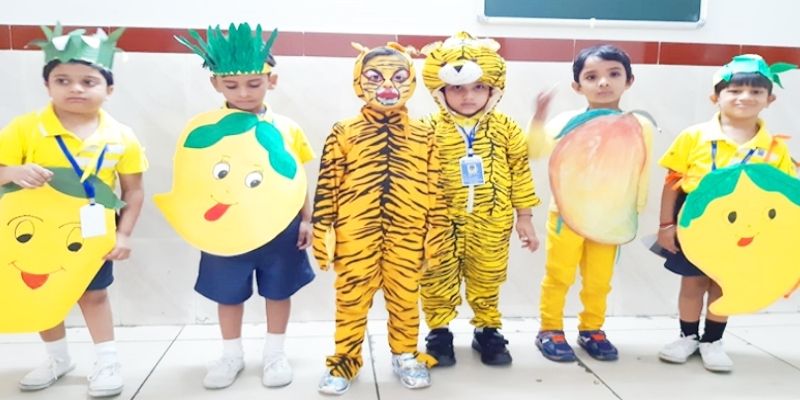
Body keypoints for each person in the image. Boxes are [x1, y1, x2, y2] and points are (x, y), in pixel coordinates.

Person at [0, 24, 147, 397]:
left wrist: (124, 233)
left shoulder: (122, 136)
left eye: (88, 81)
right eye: (63, 80)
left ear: (109, 89)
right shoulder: (26, 129)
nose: (76, 88)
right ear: (47, 85)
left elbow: (133, 190)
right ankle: (58, 358)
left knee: (94, 295)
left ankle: (108, 361)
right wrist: (12, 172)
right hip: (34, 233)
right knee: (42, 291)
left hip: (92, 234)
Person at [168, 23, 315, 389]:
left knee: (279, 290)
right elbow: (192, 181)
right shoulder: (201, 127)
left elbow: (298, 177)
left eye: (254, 83)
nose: (244, 93)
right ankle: (231, 353)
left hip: (279, 226)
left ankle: (275, 353)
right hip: (224, 227)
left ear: (272, 81)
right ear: (215, 83)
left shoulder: (287, 128)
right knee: (227, 292)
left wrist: (307, 219)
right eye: (232, 85)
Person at [313, 42, 449, 395]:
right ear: (359, 81)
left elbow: (437, 187)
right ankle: (345, 360)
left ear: (411, 81)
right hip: (355, 235)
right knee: (350, 299)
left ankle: (405, 355)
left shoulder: (425, 135)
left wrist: (436, 234)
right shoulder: (344, 131)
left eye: (399, 77)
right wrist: (322, 231)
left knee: (405, 298)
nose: (388, 86)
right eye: (375, 77)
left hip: (408, 233)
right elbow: (327, 185)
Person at [656, 54, 796, 372]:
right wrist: (666, 225)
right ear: (715, 97)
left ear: (770, 99)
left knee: (725, 284)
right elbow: (672, 183)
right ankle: (687, 337)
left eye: (756, 91)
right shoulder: (693, 137)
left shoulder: (775, 147)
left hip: (746, 229)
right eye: (735, 90)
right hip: (695, 223)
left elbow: (783, 199)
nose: (745, 97)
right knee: (692, 283)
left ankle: (713, 341)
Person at [419, 31, 540, 367]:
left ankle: (487, 330)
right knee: (436, 276)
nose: (468, 96)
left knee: (487, 276)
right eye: (457, 88)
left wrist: (525, 217)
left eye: (478, 87)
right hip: (439, 222)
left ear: (493, 89)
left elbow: (520, 171)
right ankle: (439, 332)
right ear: (441, 90)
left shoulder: (505, 128)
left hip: (492, 220)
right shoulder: (426, 128)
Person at [528, 44, 654, 362]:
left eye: (614, 74)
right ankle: (550, 328)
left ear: (629, 80)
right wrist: (539, 117)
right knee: (559, 274)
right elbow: (535, 150)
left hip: (610, 218)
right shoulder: (568, 121)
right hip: (566, 215)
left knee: (599, 280)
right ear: (577, 85)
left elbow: (641, 168)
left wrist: (633, 211)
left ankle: (592, 329)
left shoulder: (639, 125)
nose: (603, 82)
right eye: (592, 76)